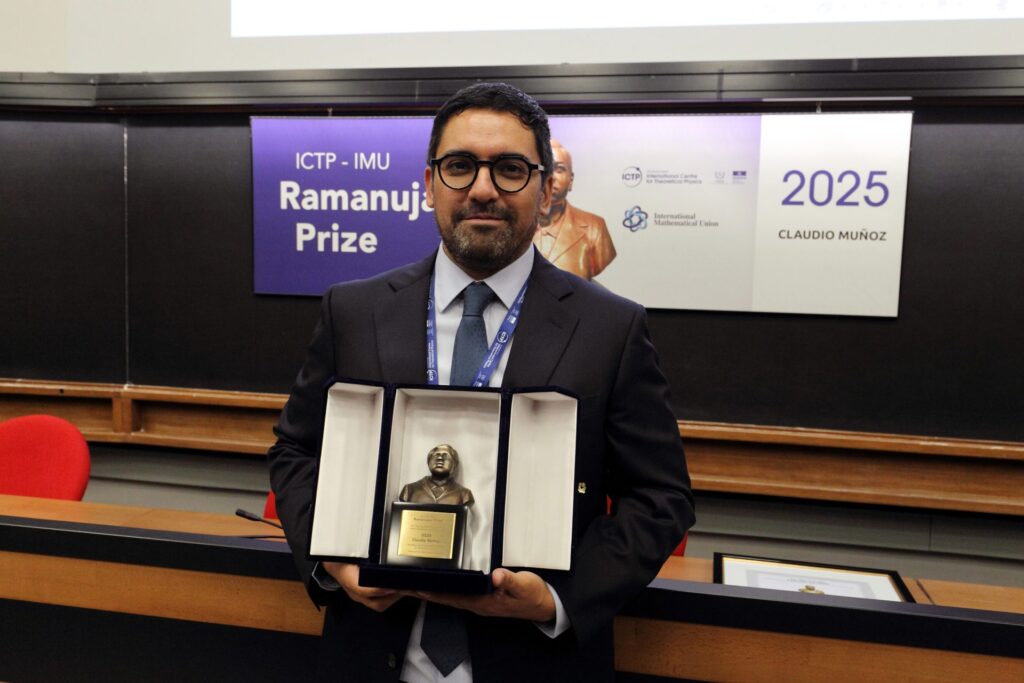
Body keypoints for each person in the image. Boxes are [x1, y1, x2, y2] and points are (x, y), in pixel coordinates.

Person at [267, 82, 695, 683]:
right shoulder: (355, 312)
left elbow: (660, 498)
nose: (483, 189)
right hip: (371, 655)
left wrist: (558, 599)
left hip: (535, 664)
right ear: (429, 183)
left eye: (510, 169)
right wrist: (332, 561)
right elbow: (296, 451)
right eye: (460, 166)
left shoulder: (610, 328)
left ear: (546, 190)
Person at [532, 139, 617, 280]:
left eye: (559, 169)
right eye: (544, 168)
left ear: (571, 180)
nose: (550, 177)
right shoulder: (512, 225)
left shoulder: (595, 228)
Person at [399, 444, 475, 506]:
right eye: (436, 455)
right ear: (428, 462)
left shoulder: (464, 495)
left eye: (445, 456)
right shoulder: (409, 490)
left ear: (454, 464)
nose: (440, 459)